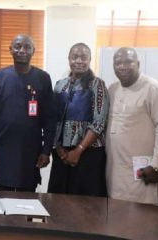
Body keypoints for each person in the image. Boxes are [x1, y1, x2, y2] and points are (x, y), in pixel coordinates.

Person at [0, 34, 56, 192]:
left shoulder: (43, 78)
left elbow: (49, 118)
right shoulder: (0, 77)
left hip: (30, 152)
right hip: (3, 150)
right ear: (10, 50)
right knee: (4, 200)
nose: (22, 50)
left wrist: (46, 150)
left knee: (27, 203)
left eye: (27, 47)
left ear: (33, 51)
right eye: (17, 46)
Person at [106, 47, 158, 204]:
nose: (122, 66)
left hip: (143, 172)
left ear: (138, 64)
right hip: (115, 170)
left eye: (128, 62)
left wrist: (156, 166)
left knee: (142, 220)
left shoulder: (153, 89)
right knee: (115, 216)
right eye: (117, 63)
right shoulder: (113, 89)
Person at [47, 43, 109, 197]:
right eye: (75, 57)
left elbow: (99, 122)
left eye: (84, 57)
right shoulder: (60, 85)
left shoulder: (97, 84)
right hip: (62, 154)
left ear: (89, 60)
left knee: (85, 204)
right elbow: (54, 119)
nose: (79, 61)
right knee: (58, 200)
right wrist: (58, 147)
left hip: (89, 153)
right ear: (69, 59)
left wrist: (78, 150)